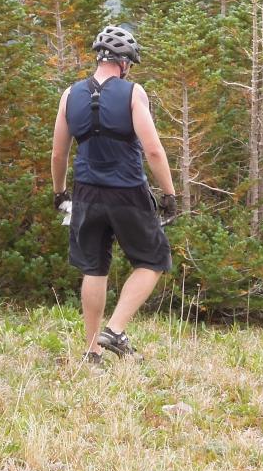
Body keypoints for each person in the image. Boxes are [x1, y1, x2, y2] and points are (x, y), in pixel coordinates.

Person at [51, 24, 178, 366]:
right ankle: (116, 330)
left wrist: (59, 191)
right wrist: (169, 194)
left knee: (94, 269)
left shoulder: (69, 95)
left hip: (86, 193)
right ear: (123, 63)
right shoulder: (133, 93)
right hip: (127, 192)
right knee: (153, 260)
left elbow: (58, 154)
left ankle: (92, 351)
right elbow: (153, 150)